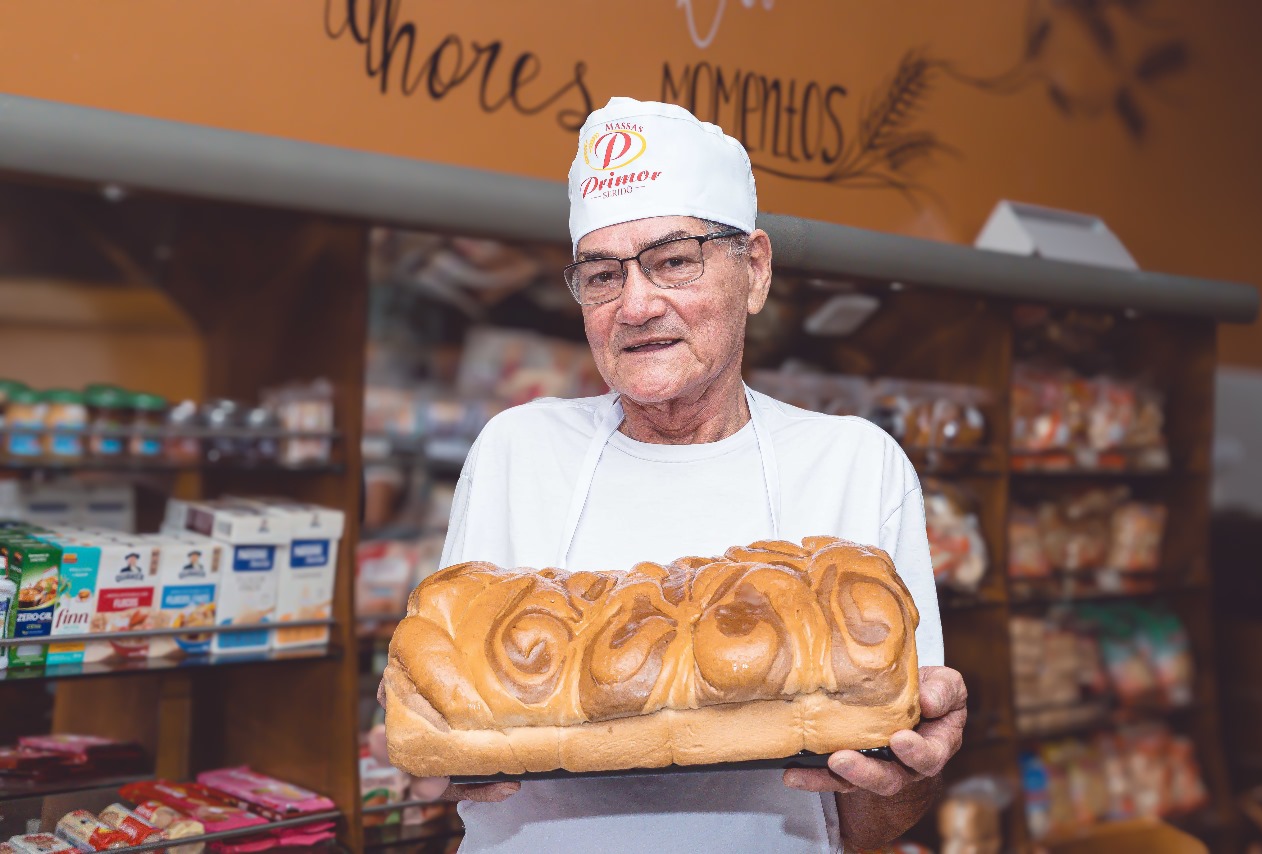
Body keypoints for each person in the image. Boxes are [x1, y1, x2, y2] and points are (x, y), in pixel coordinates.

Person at [375, 97, 968, 853]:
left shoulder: (854, 463)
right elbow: (451, 741)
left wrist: (909, 772)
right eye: (601, 274)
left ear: (753, 270)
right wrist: (432, 753)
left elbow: (877, 819)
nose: (636, 305)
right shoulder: (515, 450)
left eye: (673, 261)